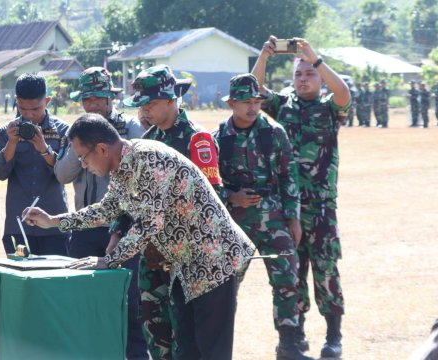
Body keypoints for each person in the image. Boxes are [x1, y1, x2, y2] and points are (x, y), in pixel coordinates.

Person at [23, 113, 255, 360]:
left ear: (101, 149)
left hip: (214, 260)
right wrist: (53, 221)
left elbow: (148, 223)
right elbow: (105, 210)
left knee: (212, 352)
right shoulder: (123, 167)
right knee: (187, 350)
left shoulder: (149, 158)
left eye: (82, 157)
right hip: (187, 267)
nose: (82, 164)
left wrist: (109, 260)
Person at [253, 36, 351, 359]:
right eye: (299, 74)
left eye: (310, 73)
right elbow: (253, 91)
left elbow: (344, 94)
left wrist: (315, 57)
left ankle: (333, 337)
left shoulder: (328, 108)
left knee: (325, 270)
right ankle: (296, 335)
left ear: (320, 78)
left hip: (321, 207)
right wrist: (264, 57)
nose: (304, 79)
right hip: (286, 207)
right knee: (290, 271)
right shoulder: (282, 105)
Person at [121, 64, 224, 360]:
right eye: (140, 105)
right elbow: (128, 196)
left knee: (186, 337)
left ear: (171, 100)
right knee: (156, 331)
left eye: (150, 104)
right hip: (151, 259)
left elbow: (209, 203)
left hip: (188, 260)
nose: (144, 111)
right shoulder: (144, 143)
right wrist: (119, 231)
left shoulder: (196, 140)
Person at [213, 74, 312, 360]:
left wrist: (293, 218)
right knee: (225, 287)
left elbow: (288, 175)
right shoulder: (217, 138)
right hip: (234, 223)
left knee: (287, 279)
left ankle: (288, 346)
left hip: (273, 219)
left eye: (256, 101)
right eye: (245, 101)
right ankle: (218, 349)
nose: (252, 107)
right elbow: (210, 183)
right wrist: (232, 197)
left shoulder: (274, 132)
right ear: (231, 103)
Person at [55, 66, 148, 359]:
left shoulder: (131, 133)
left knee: (130, 303)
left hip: (124, 230)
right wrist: (80, 148)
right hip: (86, 228)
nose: (93, 105)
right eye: (87, 99)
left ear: (111, 98)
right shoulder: (78, 133)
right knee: (81, 300)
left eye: (98, 98)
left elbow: (138, 199)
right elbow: (62, 174)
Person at [0, 73, 70, 256]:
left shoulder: (63, 131)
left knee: (55, 281)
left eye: (36, 109)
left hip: (54, 225)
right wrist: (11, 143)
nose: (29, 115)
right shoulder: (5, 132)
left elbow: (64, 174)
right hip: (18, 225)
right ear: (17, 101)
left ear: (47, 101)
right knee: (20, 283)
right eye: (23, 109)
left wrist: (43, 148)